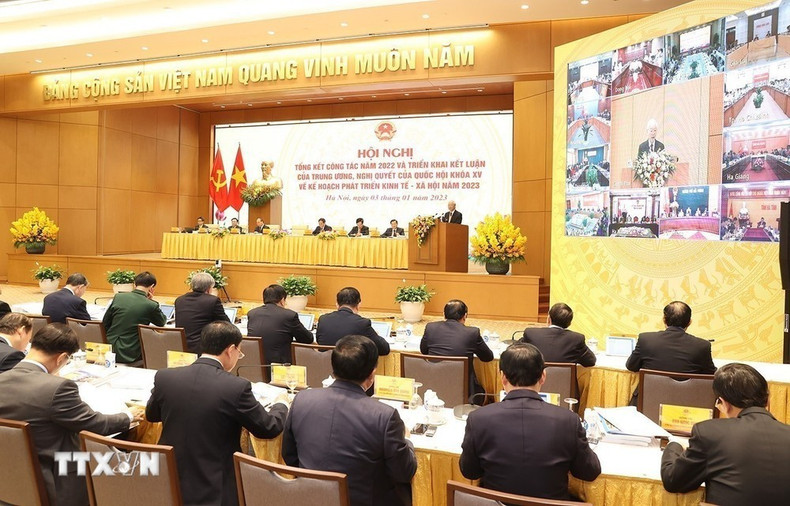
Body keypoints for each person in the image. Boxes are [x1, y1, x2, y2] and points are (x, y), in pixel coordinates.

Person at [147, 321, 290, 506]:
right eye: (240, 352)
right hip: (215, 484)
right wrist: (281, 404)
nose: (239, 357)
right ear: (230, 350)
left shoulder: (165, 377)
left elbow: (152, 415)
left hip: (169, 476)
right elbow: (268, 427)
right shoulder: (236, 387)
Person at [0, 324, 139, 506]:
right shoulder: (57, 388)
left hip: (9, 474)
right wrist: (128, 416)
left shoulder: (3, 378)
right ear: (62, 358)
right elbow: (95, 425)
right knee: (139, 467)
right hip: (56, 478)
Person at [283, 335, 417, 505]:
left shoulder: (302, 399)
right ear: (372, 374)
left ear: (334, 368)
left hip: (312, 498)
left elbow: (289, 455)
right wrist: (407, 440)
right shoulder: (385, 416)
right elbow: (404, 472)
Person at [459, 343, 601, 499]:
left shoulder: (478, 419)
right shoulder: (568, 420)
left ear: (502, 377)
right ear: (543, 376)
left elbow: (470, 472)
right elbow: (589, 472)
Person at [661, 363, 790, 504]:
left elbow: (673, 480)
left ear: (723, 403)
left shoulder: (710, 433)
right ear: (768, 400)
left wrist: (674, 444)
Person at [625, 301, 716, 405]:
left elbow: (631, 366)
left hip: (647, 403)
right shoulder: (702, 346)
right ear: (689, 322)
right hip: (685, 405)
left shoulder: (645, 339)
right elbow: (710, 374)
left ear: (664, 319)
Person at [420, 299, 493, 402]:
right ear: (465, 316)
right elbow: (488, 357)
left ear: (444, 315)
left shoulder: (430, 328)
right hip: (463, 390)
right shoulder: (472, 333)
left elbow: (423, 350)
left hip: (434, 386)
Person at [102, 271, 167, 365]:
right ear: (152, 287)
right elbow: (161, 322)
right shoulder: (151, 305)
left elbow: (105, 322)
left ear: (134, 284)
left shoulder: (119, 297)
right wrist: (151, 301)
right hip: (130, 353)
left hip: (108, 349)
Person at [246, 284, 314, 365]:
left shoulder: (252, 313)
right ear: (282, 300)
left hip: (254, 366)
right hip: (280, 368)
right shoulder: (289, 315)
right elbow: (307, 339)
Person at [316, 287, 390, 356]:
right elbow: (384, 349)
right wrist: (375, 335)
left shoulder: (323, 319)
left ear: (337, 304)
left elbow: (319, 341)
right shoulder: (362, 323)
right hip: (349, 365)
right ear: (358, 305)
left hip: (323, 365)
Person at [521, 302, 596, 367]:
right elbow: (591, 361)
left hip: (536, 379)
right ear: (569, 323)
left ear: (549, 319)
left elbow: (515, 350)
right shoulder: (576, 339)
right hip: (565, 380)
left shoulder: (531, 334)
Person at [174, 272, 230, 353]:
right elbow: (227, 324)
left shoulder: (179, 300)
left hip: (180, 347)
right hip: (203, 349)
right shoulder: (212, 300)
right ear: (209, 289)